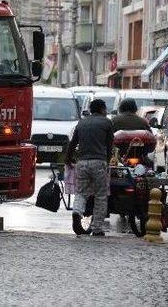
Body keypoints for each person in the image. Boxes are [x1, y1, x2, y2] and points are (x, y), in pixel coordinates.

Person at [64, 98, 114, 236]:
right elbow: (110, 146)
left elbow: (73, 143)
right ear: (102, 109)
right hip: (99, 163)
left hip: (82, 163)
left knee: (81, 193)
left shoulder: (82, 122)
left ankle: (76, 213)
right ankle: (97, 228)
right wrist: (108, 161)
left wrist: (68, 159)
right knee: (100, 196)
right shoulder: (107, 122)